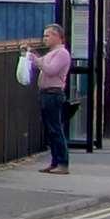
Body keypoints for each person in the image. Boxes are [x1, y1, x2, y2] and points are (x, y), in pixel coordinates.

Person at [32, 21, 74, 170]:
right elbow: (40, 62)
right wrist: (32, 56)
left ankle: (63, 163)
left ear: (57, 36)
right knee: (50, 129)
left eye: (47, 36)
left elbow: (50, 70)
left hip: (53, 94)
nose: (45, 39)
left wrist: (37, 61)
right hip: (45, 93)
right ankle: (55, 161)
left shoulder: (62, 53)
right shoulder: (51, 53)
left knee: (55, 129)